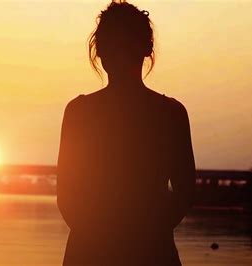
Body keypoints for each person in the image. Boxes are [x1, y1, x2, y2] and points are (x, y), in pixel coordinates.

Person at [56, 1, 196, 265]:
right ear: (148, 47)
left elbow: (66, 194)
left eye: (122, 45)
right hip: (151, 249)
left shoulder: (80, 112)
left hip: (91, 250)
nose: (117, 54)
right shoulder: (171, 113)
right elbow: (185, 193)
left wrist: (98, 233)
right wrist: (150, 231)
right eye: (112, 45)